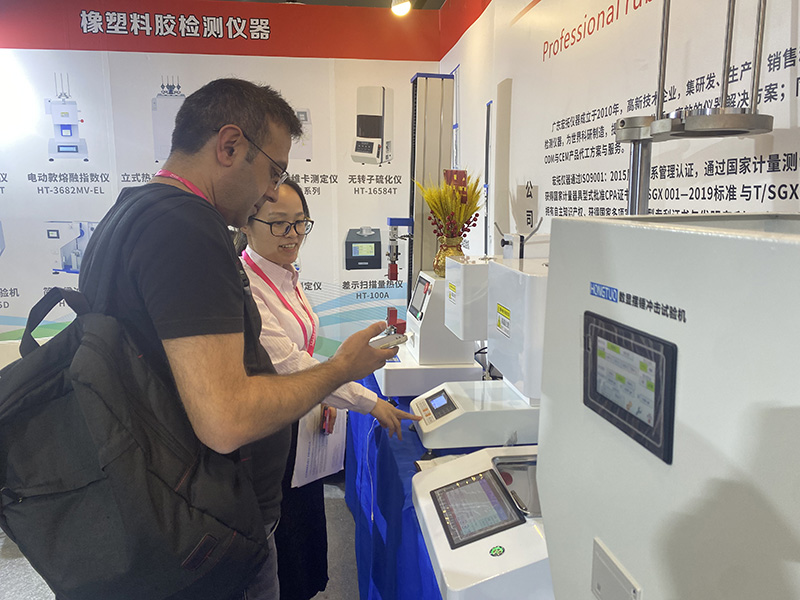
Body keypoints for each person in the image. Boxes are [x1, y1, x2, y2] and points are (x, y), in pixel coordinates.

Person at [77, 78, 397, 600]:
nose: (270, 192)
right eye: (273, 171)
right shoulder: (188, 228)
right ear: (229, 146)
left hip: (165, 513)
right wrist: (339, 370)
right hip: (206, 530)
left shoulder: (132, 211)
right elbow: (227, 418)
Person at [235, 179, 419, 599]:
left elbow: (304, 353)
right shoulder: (247, 287)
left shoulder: (285, 273)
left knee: (305, 547)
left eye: (300, 222)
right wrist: (368, 401)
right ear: (246, 223)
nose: (293, 235)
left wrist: (320, 397)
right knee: (285, 557)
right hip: (271, 443)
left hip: (300, 428)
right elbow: (290, 365)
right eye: (279, 224)